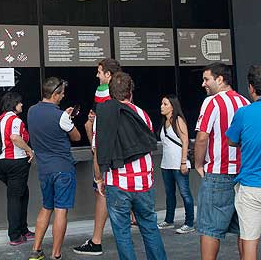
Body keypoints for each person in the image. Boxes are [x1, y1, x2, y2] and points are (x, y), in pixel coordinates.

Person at [93, 72, 165, 260]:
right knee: (150, 228)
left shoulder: (103, 116)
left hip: (116, 183)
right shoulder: (143, 114)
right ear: (130, 92)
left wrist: (99, 178)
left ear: (110, 93)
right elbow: (148, 146)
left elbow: (98, 150)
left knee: (122, 233)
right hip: (143, 183)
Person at [194, 62, 250, 260]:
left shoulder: (212, 102)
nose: (203, 84)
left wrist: (198, 164)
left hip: (218, 174)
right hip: (243, 174)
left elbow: (202, 136)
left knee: (210, 228)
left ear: (220, 79)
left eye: (206, 79)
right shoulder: (245, 101)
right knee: (244, 229)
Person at [27, 77, 81, 260]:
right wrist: (68, 118)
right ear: (55, 94)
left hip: (44, 169)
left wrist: (64, 117)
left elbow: (46, 126)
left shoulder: (31, 111)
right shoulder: (61, 116)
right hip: (63, 168)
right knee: (60, 211)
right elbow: (76, 136)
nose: (63, 96)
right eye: (62, 94)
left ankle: (36, 250)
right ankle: (56, 254)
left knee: (46, 207)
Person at [74, 57, 121, 256]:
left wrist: (97, 162)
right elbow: (92, 129)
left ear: (108, 75)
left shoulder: (112, 98)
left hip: (106, 157)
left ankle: (96, 241)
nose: (96, 75)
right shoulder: (109, 96)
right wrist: (89, 126)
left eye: (99, 71)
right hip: (107, 154)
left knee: (103, 192)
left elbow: (102, 135)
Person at [0, 91, 35, 246]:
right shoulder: (15, 120)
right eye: (20, 102)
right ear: (14, 104)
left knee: (22, 192)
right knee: (15, 196)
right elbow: (15, 137)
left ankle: (23, 229)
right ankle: (15, 235)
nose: (22, 105)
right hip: (15, 162)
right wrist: (29, 149)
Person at [226, 65, 261, 260]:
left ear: (251, 88)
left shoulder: (243, 113)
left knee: (250, 241)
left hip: (251, 187)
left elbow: (231, 140)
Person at [157, 94, 195, 233]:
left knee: (185, 193)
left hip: (179, 163)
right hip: (166, 164)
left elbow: (185, 141)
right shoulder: (164, 122)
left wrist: (183, 162)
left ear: (173, 106)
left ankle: (189, 223)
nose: (162, 106)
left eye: (165, 104)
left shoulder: (178, 120)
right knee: (169, 193)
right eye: (162, 103)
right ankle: (169, 220)